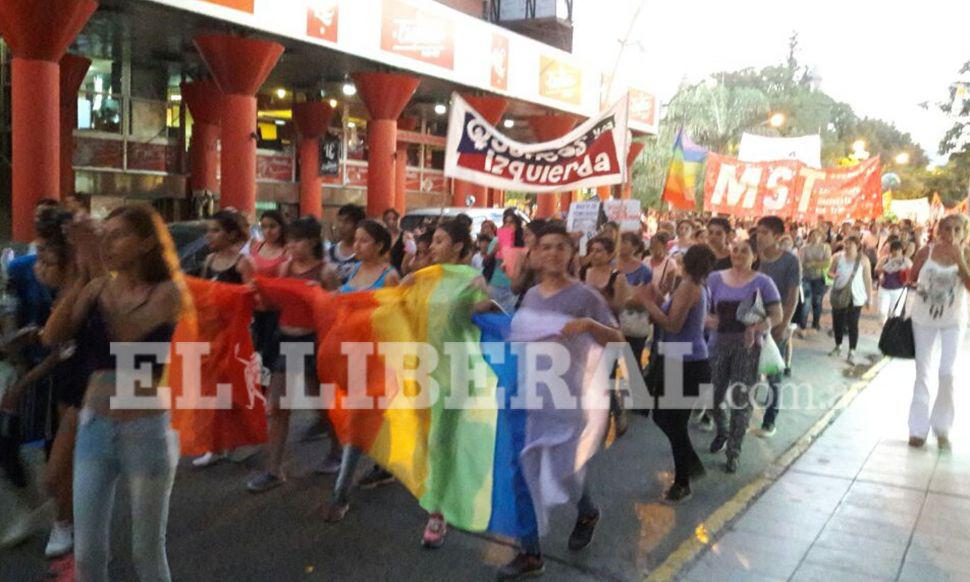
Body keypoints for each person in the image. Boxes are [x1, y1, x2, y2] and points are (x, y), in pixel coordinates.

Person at [42, 205, 185, 581]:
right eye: (103, 236)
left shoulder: (169, 292)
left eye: (118, 235)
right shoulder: (97, 286)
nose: (108, 243)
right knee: (88, 555)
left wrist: (96, 269)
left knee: (147, 552)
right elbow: (51, 335)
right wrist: (79, 279)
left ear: (147, 243)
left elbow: (127, 335)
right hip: (95, 428)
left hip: (146, 430)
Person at [499, 223, 623, 580]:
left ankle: (587, 511)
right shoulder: (532, 295)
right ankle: (531, 554)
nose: (553, 253)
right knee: (523, 471)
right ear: (535, 255)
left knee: (566, 470)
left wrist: (587, 325)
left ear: (571, 254)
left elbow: (618, 341)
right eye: (546, 247)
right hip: (529, 396)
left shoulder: (586, 297)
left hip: (568, 399)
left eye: (560, 247)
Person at [247, 216, 342, 493]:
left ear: (312, 241)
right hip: (285, 337)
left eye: (297, 240)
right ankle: (274, 469)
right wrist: (260, 292)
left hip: (314, 340)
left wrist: (319, 297)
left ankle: (337, 450)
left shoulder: (326, 272)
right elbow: (273, 302)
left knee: (322, 404)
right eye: (289, 240)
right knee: (276, 406)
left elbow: (337, 311)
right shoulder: (286, 267)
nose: (291, 245)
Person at [324, 219, 401, 522]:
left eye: (365, 241)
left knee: (359, 418)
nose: (357, 245)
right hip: (350, 357)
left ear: (381, 245)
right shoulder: (352, 271)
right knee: (365, 416)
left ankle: (339, 493)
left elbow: (395, 320)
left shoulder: (390, 276)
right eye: (356, 240)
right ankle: (384, 465)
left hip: (377, 360)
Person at [640, 245, 716, 502]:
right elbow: (673, 314)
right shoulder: (693, 286)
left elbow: (672, 323)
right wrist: (657, 300)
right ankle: (689, 465)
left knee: (672, 420)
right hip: (680, 358)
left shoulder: (689, 287)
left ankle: (683, 481)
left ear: (685, 261)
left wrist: (647, 304)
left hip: (687, 362)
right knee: (666, 417)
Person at [706, 240, 782, 473]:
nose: (738, 254)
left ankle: (734, 451)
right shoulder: (715, 279)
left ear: (754, 256)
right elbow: (705, 310)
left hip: (747, 349)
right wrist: (708, 321)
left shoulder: (763, 282)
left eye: (744, 251)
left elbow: (776, 314)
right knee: (712, 397)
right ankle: (723, 430)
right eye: (735, 249)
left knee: (742, 401)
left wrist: (758, 327)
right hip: (718, 346)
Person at [907, 214, 970, 449]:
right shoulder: (927, 251)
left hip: (953, 320)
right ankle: (917, 429)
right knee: (922, 371)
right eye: (947, 229)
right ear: (939, 231)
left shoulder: (967, 254)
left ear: (964, 233)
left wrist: (960, 260)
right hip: (923, 319)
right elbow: (912, 276)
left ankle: (942, 427)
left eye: (957, 230)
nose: (951, 234)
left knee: (947, 372)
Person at [754, 216, 801, 437]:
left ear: (776, 235)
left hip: (776, 324)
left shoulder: (790, 261)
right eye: (758, 232)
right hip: (752, 322)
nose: (759, 236)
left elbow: (792, 296)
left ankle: (770, 419)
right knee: (747, 371)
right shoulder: (753, 257)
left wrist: (783, 324)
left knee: (773, 373)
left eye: (764, 232)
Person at [827, 236, 872, 365]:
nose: (847, 246)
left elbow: (868, 279)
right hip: (839, 293)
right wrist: (834, 276)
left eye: (850, 244)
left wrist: (869, 298)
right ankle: (838, 346)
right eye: (846, 244)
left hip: (856, 296)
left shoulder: (864, 260)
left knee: (853, 324)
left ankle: (852, 350)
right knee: (837, 322)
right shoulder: (837, 257)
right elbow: (829, 273)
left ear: (857, 246)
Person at [617, 232, 653, 366]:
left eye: (625, 242)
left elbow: (643, 298)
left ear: (635, 247)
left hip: (633, 321)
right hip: (613, 321)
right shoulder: (610, 264)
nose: (621, 245)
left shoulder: (644, 270)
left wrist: (623, 296)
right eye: (619, 241)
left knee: (633, 363)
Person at [200, 210, 254, 285]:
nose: (208, 236)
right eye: (207, 231)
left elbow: (250, 293)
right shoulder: (209, 260)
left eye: (216, 231)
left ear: (232, 235)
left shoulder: (243, 262)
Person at [798, 228, 831, 334]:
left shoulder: (825, 248)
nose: (815, 237)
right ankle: (802, 324)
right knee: (806, 303)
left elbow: (827, 263)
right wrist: (818, 263)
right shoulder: (804, 248)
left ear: (821, 237)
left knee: (817, 302)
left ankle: (815, 324)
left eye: (818, 235)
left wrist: (812, 263)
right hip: (806, 278)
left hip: (820, 278)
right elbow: (801, 263)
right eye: (813, 235)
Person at [327, 204, 366, 284]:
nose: (341, 226)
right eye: (340, 221)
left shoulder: (365, 254)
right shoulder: (329, 252)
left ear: (358, 225)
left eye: (347, 222)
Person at [875, 240, 912, 323]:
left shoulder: (906, 261)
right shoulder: (885, 259)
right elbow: (877, 269)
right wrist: (881, 275)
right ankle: (885, 328)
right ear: (891, 250)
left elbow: (912, 274)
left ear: (902, 250)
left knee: (895, 313)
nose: (896, 252)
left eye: (898, 250)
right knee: (882, 312)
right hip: (884, 288)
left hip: (899, 290)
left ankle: (892, 331)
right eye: (894, 250)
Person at [647, 232, 678, 298]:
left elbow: (669, 286)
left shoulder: (670, 263)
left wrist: (656, 298)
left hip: (659, 298)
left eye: (656, 245)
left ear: (664, 246)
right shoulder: (646, 260)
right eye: (652, 245)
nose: (653, 247)